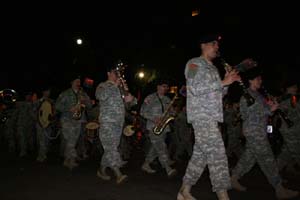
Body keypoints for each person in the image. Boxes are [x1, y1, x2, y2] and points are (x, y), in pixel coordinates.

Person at [177, 34, 241, 200]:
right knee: (218, 154)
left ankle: (184, 191)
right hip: (201, 115)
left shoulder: (213, 68)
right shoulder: (193, 63)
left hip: (212, 116)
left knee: (200, 156)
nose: (217, 48)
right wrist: (222, 82)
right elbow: (192, 88)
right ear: (203, 45)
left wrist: (228, 82)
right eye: (214, 44)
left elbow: (218, 93)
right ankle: (223, 196)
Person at [230, 68, 299, 199]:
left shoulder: (258, 95)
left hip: (258, 131)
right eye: (258, 78)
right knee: (269, 160)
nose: (260, 81)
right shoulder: (247, 95)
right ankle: (279, 189)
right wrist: (268, 110)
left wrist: (271, 108)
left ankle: (233, 179)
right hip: (255, 133)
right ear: (250, 80)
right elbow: (247, 115)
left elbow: (264, 111)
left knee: (248, 159)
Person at [95, 62, 137, 184]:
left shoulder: (120, 87)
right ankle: (118, 173)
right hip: (107, 121)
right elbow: (100, 96)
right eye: (115, 73)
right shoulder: (102, 85)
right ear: (109, 73)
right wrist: (114, 86)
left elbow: (130, 103)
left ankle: (101, 170)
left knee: (110, 148)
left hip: (119, 122)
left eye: (119, 73)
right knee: (111, 148)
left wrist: (129, 96)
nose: (118, 75)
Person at [139, 79, 177, 177]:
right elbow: (142, 112)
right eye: (164, 86)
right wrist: (153, 119)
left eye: (166, 87)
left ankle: (146, 164)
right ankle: (167, 168)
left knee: (155, 148)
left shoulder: (167, 99)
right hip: (153, 127)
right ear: (158, 87)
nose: (165, 89)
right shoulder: (150, 98)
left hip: (164, 127)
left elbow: (171, 112)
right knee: (161, 146)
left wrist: (173, 112)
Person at [55, 75, 92, 170]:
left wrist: (86, 100)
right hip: (67, 120)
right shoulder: (65, 93)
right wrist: (68, 109)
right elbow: (57, 106)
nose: (78, 83)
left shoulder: (82, 93)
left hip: (78, 120)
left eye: (79, 81)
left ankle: (67, 160)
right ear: (71, 82)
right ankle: (71, 161)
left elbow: (90, 105)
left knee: (73, 141)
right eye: (76, 81)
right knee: (70, 140)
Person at [276, 80, 300, 173]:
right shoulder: (287, 99)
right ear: (288, 89)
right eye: (294, 87)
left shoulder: (293, 98)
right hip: (289, 130)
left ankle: (274, 173)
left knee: (286, 153)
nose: (296, 89)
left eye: (296, 87)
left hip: (293, 129)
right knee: (297, 151)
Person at [34, 86, 55, 162]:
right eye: (47, 91)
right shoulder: (38, 101)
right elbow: (35, 111)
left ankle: (44, 154)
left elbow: (54, 112)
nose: (48, 93)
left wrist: (52, 119)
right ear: (43, 92)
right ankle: (41, 156)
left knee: (46, 141)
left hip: (48, 124)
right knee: (41, 140)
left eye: (49, 91)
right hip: (40, 124)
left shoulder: (51, 101)